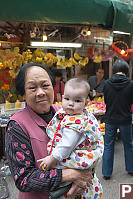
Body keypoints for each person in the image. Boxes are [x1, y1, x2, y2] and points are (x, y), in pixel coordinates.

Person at [5, 63, 93, 199]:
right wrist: (70, 174)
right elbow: (23, 178)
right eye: (32, 88)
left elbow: (90, 144)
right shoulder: (17, 126)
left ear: (53, 87)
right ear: (23, 93)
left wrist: (86, 172)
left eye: (45, 85)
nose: (40, 92)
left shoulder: (66, 113)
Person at [38, 78, 104, 199]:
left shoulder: (75, 123)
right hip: (80, 161)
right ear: (62, 97)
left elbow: (66, 145)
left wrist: (53, 158)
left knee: (68, 185)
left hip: (72, 159)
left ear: (86, 103)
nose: (71, 103)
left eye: (77, 100)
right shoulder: (77, 115)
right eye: (67, 99)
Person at [102, 59, 133, 180]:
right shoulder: (130, 84)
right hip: (125, 118)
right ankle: (130, 169)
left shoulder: (107, 84)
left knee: (109, 145)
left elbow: (106, 101)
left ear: (114, 70)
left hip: (110, 118)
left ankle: (106, 173)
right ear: (126, 70)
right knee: (128, 145)